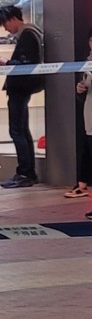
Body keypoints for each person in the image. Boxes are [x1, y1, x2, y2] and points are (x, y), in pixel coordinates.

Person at [0, 5, 44, 189]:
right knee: (22, 130)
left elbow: (26, 63)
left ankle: (25, 172)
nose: (6, 29)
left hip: (20, 87)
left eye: (5, 24)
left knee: (17, 131)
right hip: (24, 87)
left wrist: (7, 63)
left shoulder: (27, 34)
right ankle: (27, 172)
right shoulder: (32, 32)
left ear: (13, 19)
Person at [72, 28, 92, 201]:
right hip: (90, 115)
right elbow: (83, 91)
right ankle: (82, 184)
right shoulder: (87, 63)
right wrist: (80, 90)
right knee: (88, 148)